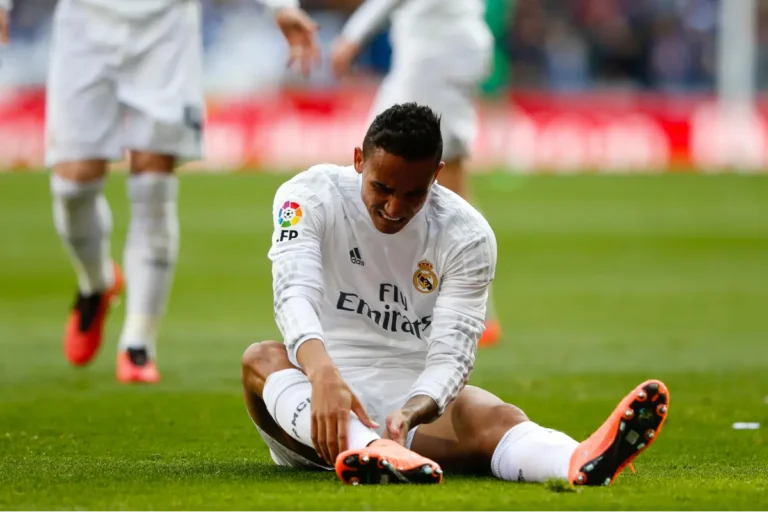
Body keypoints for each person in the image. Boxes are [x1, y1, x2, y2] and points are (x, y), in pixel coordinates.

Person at [241, 103, 670, 486]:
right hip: (311, 399)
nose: (394, 208)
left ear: (437, 174)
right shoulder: (308, 196)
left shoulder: (467, 234)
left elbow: (453, 354)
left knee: (496, 416)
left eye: (413, 193)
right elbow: (294, 291)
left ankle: (577, 459)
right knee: (260, 358)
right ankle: (366, 448)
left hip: (406, 404)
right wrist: (321, 372)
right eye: (382, 188)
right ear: (358, 160)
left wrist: (412, 411)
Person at [0, 0, 320, 382]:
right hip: (83, 23)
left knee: (153, 182)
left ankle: (138, 343)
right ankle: (97, 282)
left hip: (167, 27)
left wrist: (280, 7)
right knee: (72, 185)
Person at [329, 0, 502, 347]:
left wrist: (352, 36)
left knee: (389, 166)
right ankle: (473, 312)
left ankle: (461, 311)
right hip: (448, 50)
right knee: (446, 183)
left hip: (433, 57)